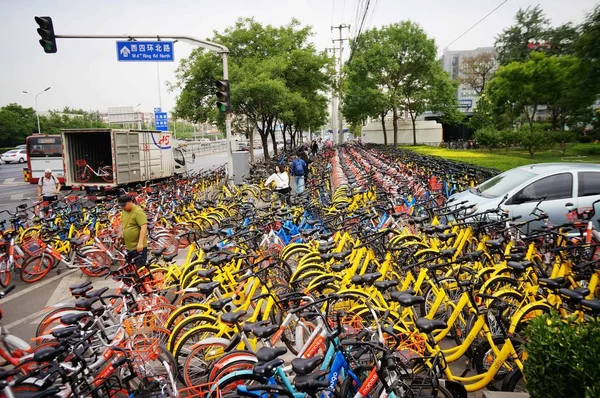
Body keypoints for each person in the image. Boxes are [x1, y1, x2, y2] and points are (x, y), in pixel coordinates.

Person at [119, 195, 148, 268]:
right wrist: (119, 235)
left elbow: (144, 227)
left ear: (130, 202)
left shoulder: (138, 211)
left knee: (140, 270)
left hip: (137, 247)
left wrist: (140, 243)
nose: (122, 208)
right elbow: (123, 224)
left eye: (124, 205)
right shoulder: (124, 211)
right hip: (129, 247)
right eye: (121, 206)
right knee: (132, 269)